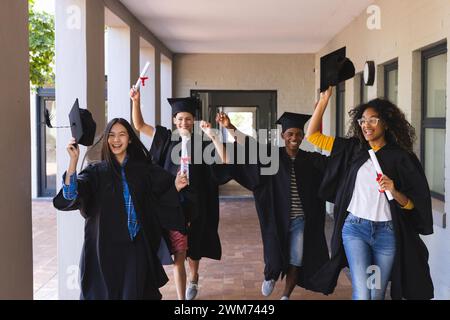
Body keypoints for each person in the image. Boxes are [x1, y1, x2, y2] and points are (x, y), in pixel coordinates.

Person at [306, 87, 434, 300]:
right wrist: (323, 101)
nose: (366, 125)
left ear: (385, 123)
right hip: (356, 229)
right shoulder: (353, 149)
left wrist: (394, 190)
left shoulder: (401, 158)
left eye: (373, 120)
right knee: (364, 293)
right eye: (363, 121)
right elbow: (313, 136)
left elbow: (413, 204)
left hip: (387, 233)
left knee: (376, 293)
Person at [53, 118, 188, 300]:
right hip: (104, 249)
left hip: (136, 247)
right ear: (106, 140)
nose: (116, 140)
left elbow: (162, 194)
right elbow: (70, 195)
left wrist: (176, 185)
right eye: (111, 135)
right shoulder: (95, 173)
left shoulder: (144, 170)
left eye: (122, 134)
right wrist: (73, 163)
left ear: (130, 139)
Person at [216, 111, 329, 300]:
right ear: (283, 136)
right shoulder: (272, 156)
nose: (294, 138)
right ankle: (270, 276)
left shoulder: (310, 160)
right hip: (277, 218)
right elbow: (250, 144)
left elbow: (333, 166)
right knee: (274, 257)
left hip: (301, 220)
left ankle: (286, 295)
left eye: (298, 134)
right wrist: (229, 127)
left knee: (296, 259)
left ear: (303, 136)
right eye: (290, 134)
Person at [131, 88, 230, 300]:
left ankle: (194, 277)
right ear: (174, 120)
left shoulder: (202, 142)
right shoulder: (165, 138)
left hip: (196, 202)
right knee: (179, 253)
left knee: (194, 249)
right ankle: (181, 300)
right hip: (172, 201)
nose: (184, 122)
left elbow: (224, 160)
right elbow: (139, 125)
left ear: (193, 121)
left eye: (188, 119)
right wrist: (136, 101)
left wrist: (213, 135)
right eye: (180, 118)